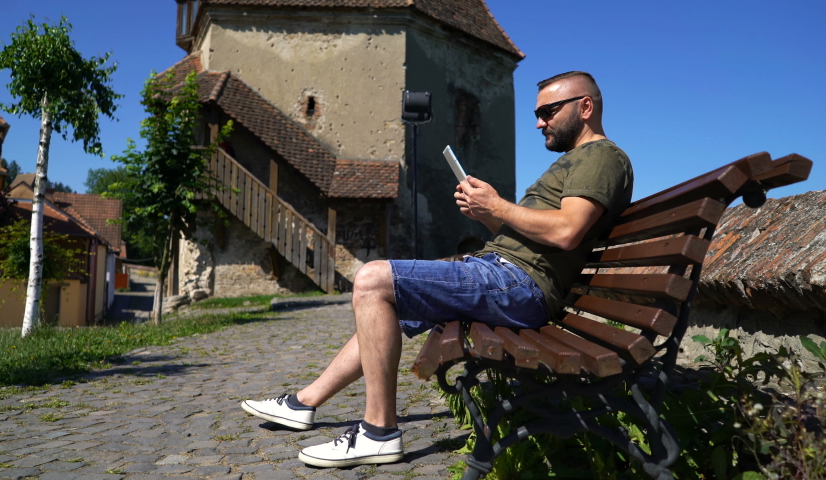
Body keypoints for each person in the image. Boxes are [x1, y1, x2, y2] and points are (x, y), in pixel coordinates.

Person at [240, 71, 634, 468]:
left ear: (585, 107)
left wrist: (497, 206)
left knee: (372, 279)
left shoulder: (600, 157)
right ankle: (303, 403)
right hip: (503, 273)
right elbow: (538, 236)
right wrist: (488, 216)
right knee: (388, 299)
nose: (539, 122)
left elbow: (568, 231)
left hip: (518, 284)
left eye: (548, 111)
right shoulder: (576, 161)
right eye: (537, 113)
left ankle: (379, 432)